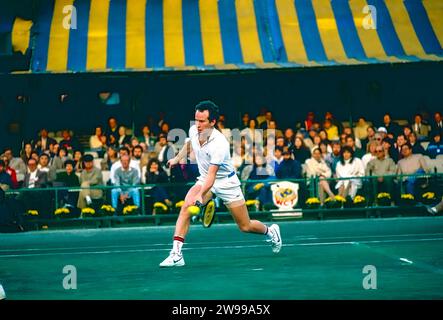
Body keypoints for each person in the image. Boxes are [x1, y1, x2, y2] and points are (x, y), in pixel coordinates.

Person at [160, 101, 282, 267]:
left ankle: (271, 231)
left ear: (213, 122)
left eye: (202, 121)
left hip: (226, 182)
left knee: (245, 226)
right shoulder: (193, 130)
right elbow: (190, 144)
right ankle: (176, 254)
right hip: (204, 179)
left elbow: (212, 176)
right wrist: (176, 158)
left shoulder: (220, 144)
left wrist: (200, 196)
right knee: (186, 208)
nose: (198, 125)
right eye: (196, 120)